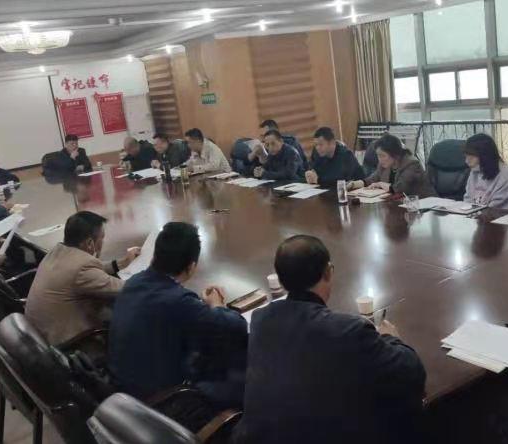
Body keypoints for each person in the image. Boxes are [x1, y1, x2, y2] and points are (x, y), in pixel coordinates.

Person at [234, 235, 426, 444]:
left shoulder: (261, 320)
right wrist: (391, 338)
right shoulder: (347, 330)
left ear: (280, 280)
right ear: (328, 271)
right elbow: (411, 372)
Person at [108, 222, 247, 406]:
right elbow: (236, 327)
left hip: (123, 390)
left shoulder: (134, 282)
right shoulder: (178, 301)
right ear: (191, 266)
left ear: (154, 256)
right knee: (240, 367)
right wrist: (217, 305)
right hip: (161, 401)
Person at [25, 211, 140, 347]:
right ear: (90, 243)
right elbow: (126, 289)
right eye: (102, 238)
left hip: (39, 335)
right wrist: (153, 271)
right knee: (131, 315)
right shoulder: (82, 269)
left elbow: (87, 271)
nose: (103, 242)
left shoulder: (57, 252)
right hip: (67, 345)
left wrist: (122, 263)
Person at [348, 133, 433, 198]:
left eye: (382, 155)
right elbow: (372, 179)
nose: (379, 159)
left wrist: (380, 184)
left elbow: (400, 188)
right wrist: (353, 184)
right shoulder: (384, 164)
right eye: (378, 155)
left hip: (420, 206)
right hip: (397, 204)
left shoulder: (412, 164)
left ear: (395, 154)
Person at [462, 134, 508, 210]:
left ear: (485, 156)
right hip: (476, 215)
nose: (467, 161)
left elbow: (495, 209)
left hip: (499, 215)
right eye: (466, 157)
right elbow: (468, 199)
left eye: (472, 157)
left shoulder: (506, 174)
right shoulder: (475, 171)